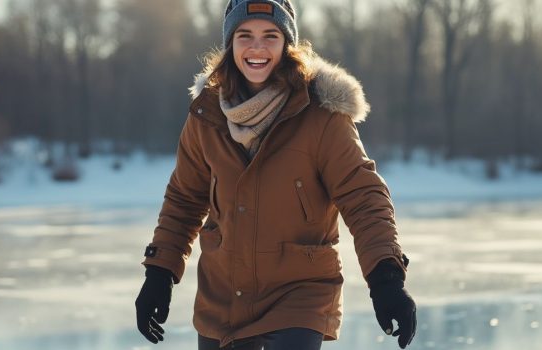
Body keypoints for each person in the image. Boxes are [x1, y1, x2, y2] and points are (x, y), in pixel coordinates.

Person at [135, 0, 417, 349]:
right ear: (230, 43)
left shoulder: (321, 116)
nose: (257, 47)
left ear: (287, 44)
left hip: (300, 296)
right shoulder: (206, 116)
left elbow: (363, 196)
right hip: (223, 297)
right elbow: (184, 200)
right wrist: (159, 272)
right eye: (245, 35)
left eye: (271, 35)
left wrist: (386, 278)